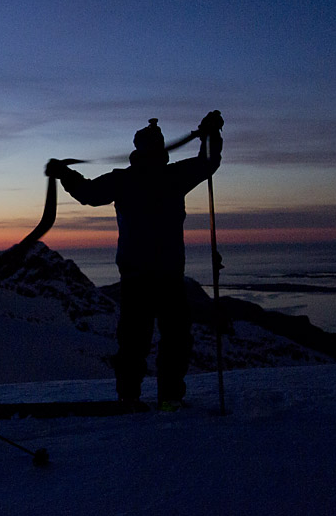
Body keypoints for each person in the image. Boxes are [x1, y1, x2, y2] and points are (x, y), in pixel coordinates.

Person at [45, 111, 223, 407]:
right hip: (167, 275)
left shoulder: (125, 180)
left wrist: (64, 174)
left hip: (137, 276)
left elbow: (88, 193)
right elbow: (208, 162)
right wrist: (211, 134)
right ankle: (168, 399)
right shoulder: (173, 176)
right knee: (173, 339)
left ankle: (130, 398)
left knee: (135, 342)